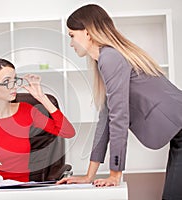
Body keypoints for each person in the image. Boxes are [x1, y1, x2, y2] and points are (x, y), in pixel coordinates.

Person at [56, 4, 182, 199]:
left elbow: (119, 117)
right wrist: (90, 175)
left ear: (88, 33)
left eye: (72, 35)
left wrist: (115, 174)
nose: (71, 43)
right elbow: (106, 118)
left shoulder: (110, 58)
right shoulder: (105, 60)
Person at [0, 58, 75, 182]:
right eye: (7, 82)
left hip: (22, 190)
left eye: (15, 80)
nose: (14, 86)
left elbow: (68, 132)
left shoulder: (26, 111)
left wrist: (41, 97)